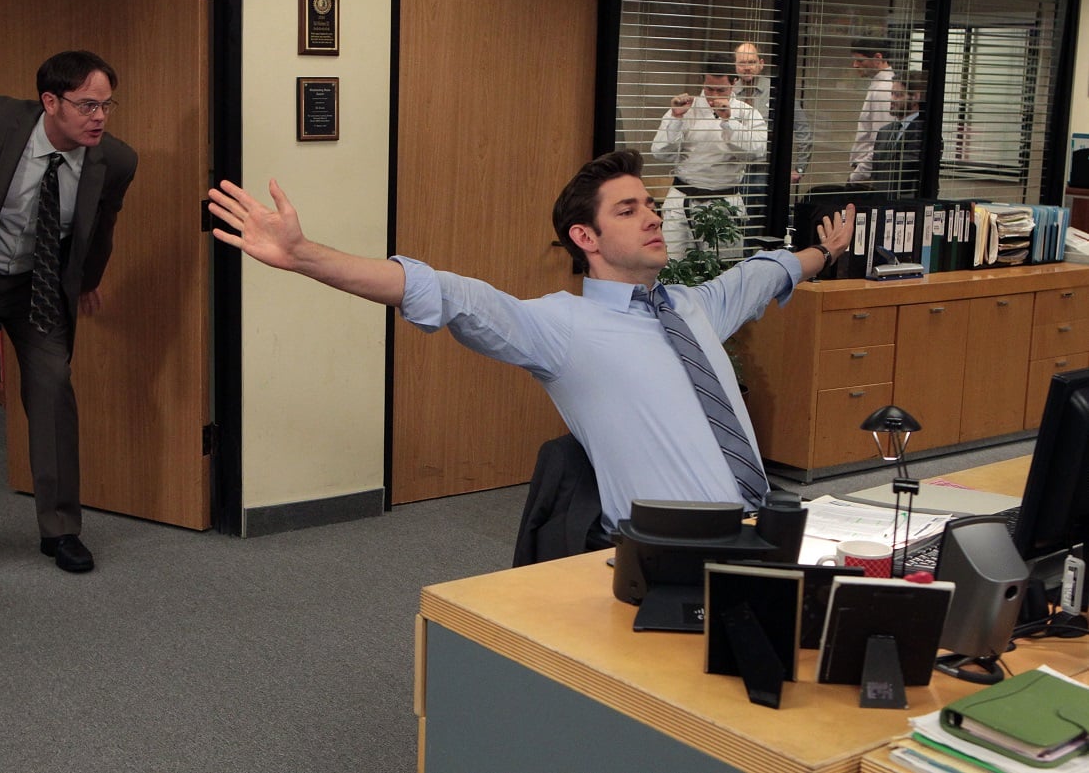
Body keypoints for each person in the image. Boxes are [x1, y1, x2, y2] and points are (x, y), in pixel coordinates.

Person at [207, 150, 853, 533]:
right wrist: (305, 255)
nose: (652, 216)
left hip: (764, 527)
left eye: (650, 204)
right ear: (585, 238)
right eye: (628, 210)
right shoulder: (560, 327)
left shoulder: (696, 305)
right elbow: (444, 292)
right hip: (676, 552)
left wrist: (823, 252)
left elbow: (765, 274)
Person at [0, 50, 138, 573]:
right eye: (87, 105)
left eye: (107, 105)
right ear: (50, 101)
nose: (100, 117)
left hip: (36, 284)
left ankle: (61, 530)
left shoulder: (116, 161)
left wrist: (87, 282)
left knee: (53, 390)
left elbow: (101, 231)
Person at [650, 55, 767, 259]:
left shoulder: (747, 114)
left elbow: (757, 152)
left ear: (734, 83)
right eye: (709, 89)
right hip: (683, 199)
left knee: (722, 269)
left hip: (724, 202)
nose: (713, 95)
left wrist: (729, 120)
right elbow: (660, 152)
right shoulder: (686, 108)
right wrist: (676, 118)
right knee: (672, 266)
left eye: (720, 90)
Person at [732, 42, 814, 209]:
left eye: (751, 62)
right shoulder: (728, 92)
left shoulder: (777, 91)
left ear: (761, 64)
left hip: (766, 172)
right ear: (735, 65)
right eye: (742, 63)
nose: (746, 68)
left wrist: (799, 168)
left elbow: (803, 130)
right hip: (732, 171)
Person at [847, 38, 896, 185]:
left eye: (860, 61)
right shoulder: (879, 85)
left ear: (878, 58)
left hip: (869, 174)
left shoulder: (884, 89)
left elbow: (880, 143)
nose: (855, 65)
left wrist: (858, 175)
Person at [872, 70, 927, 200]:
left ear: (915, 97)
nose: (892, 99)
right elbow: (877, 174)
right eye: (892, 94)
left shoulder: (924, 134)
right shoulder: (884, 132)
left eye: (897, 95)